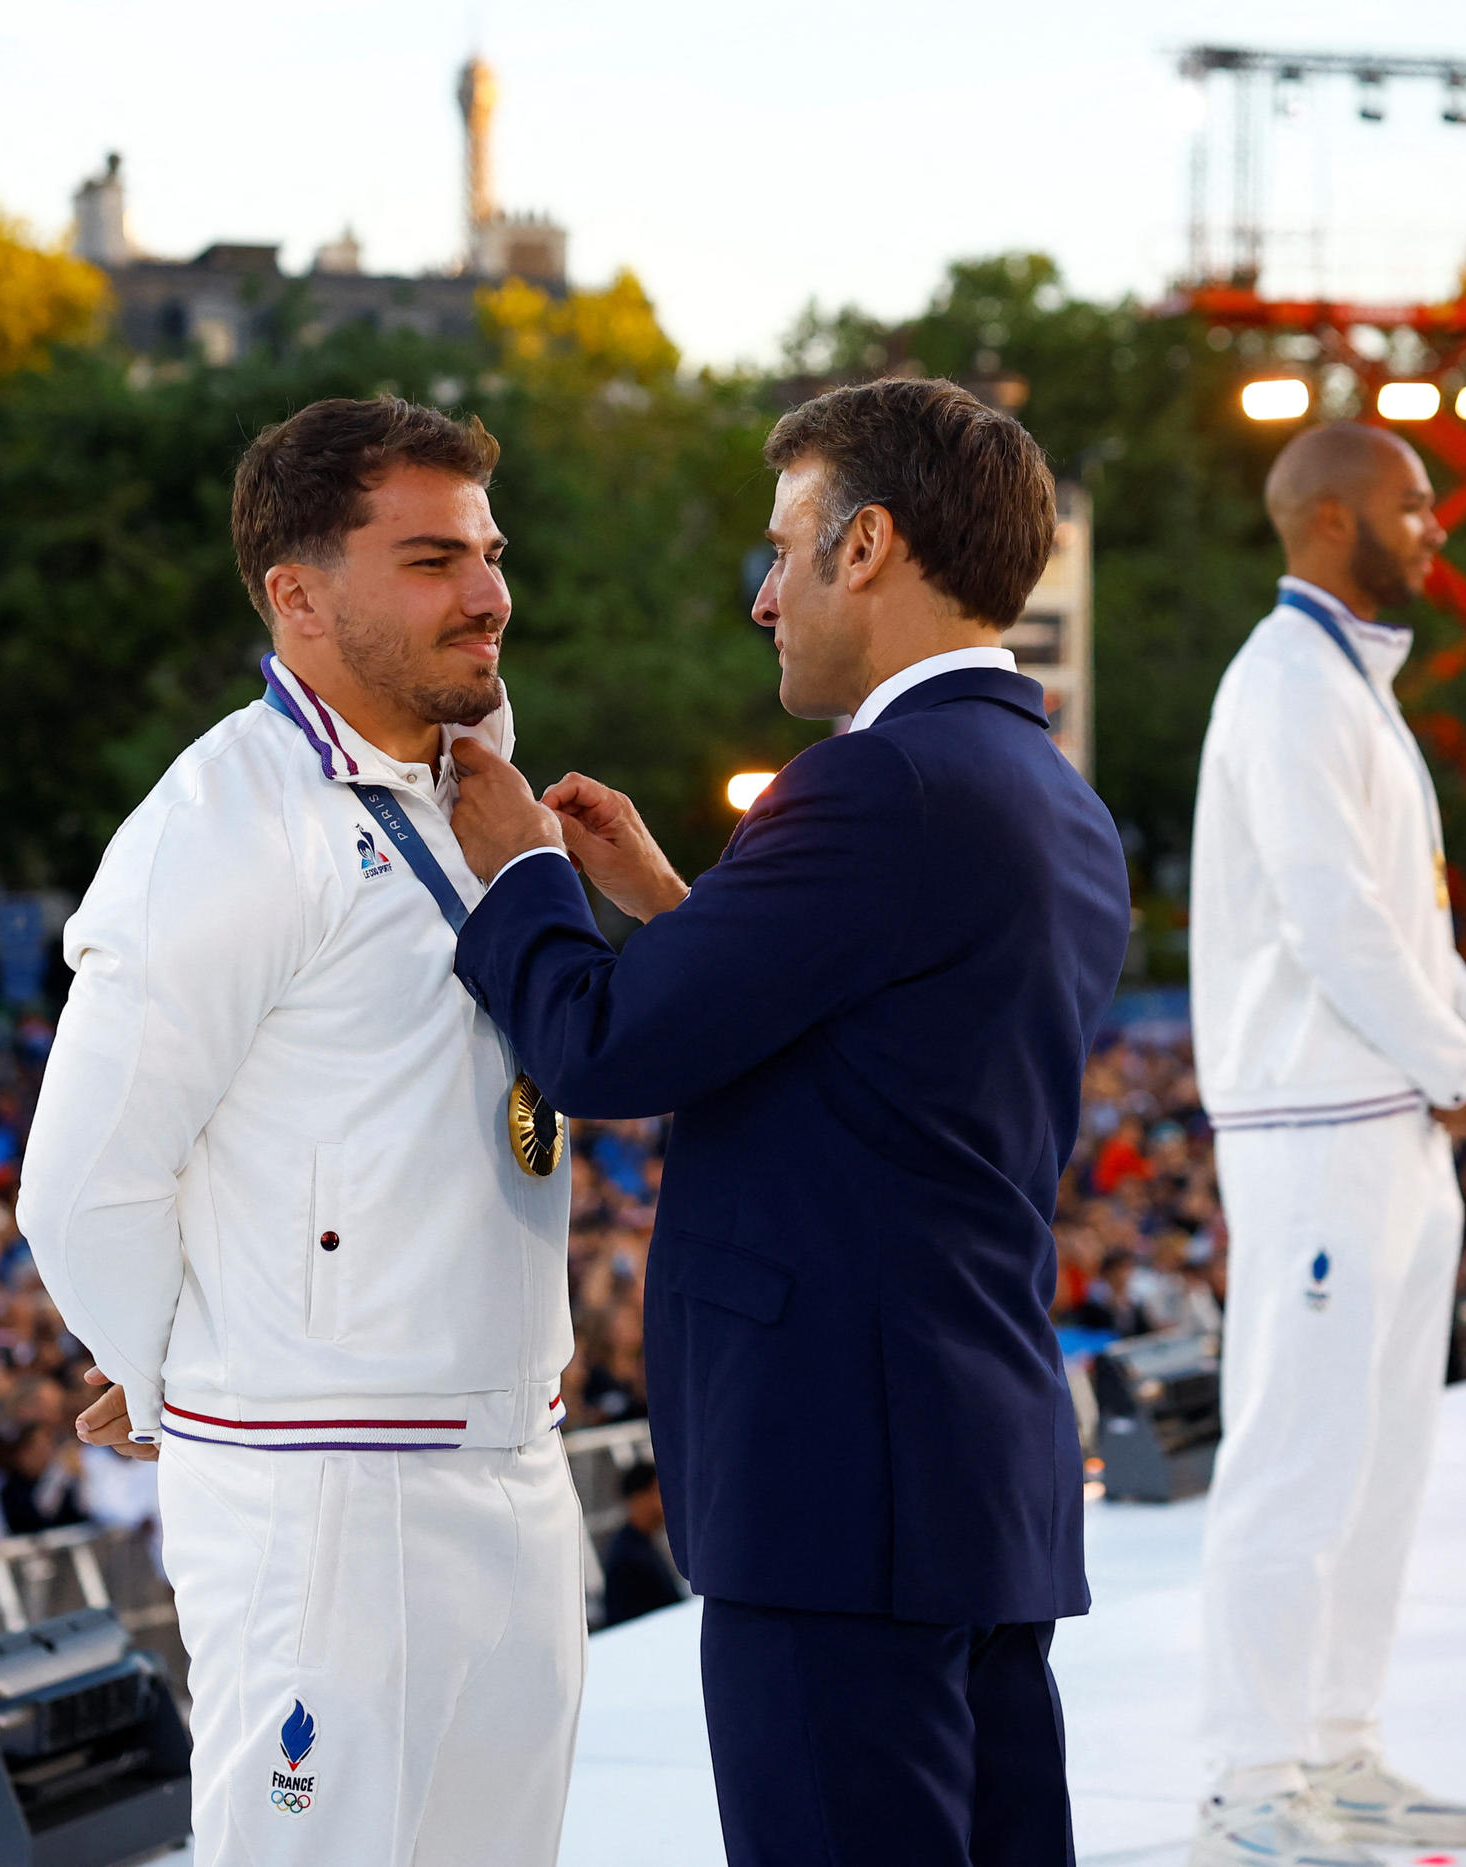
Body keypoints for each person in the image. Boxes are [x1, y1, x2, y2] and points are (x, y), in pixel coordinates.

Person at [449, 378, 1128, 1867]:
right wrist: (686, 915)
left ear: (866, 545)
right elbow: (881, 1069)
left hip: (837, 1482)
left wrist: (520, 880)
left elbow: (601, 1045)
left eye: (783, 549)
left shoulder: (877, 781)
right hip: (966, 1470)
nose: (765, 598)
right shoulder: (1045, 790)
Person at [19, 397, 581, 1867]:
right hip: (320, 1476)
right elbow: (82, 1181)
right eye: (431, 557)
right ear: (298, 593)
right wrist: (162, 1369)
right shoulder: (223, 816)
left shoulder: (481, 793)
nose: (488, 592)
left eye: (489, 551)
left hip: (514, 1438)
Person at [1185, 421, 1466, 1863]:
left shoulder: (1347, 684)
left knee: (1383, 1456)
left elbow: (1407, 920)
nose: (1437, 520)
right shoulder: (1283, 686)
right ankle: (1251, 1779)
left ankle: (1339, 1741)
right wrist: (1461, 1053)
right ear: (1327, 519)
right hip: (1318, 1115)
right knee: (1297, 1451)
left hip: (1387, 1116)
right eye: (1412, 500)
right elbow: (1331, 917)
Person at [599, 1463, 685, 1629]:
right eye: (659, 1492)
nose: (667, 1503)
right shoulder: (628, 1556)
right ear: (638, 1498)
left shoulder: (642, 1544)